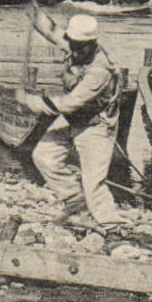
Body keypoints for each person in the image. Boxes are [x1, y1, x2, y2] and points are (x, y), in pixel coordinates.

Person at [15, 12, 130, 231]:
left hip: (95, 125)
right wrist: (30, 5)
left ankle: (113, 226)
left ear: (92, 43)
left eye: (80, 47)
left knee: (93, 183)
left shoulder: (100, 70)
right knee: (44, 156)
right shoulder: (75, 47)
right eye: (73, 44)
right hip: (73, 119)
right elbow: (49, 30)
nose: (74, 51)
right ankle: (76, 205)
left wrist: (30, 101)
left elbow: (68, 104)